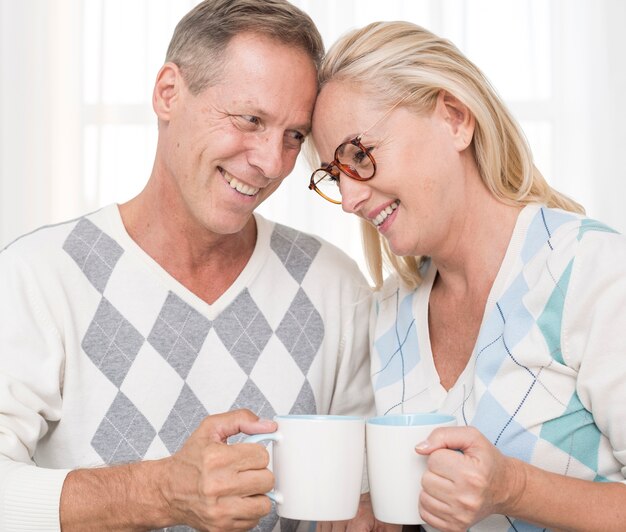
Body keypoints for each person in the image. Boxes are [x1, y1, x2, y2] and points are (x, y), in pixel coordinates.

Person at [0, 1, 375, 530]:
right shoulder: (38, 277)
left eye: (294, 136)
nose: (272, 163)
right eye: (250, 119)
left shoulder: (334, 285)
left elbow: (363, 491)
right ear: (169, 93)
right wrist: (162, 491)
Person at [309, 20, 626, 531]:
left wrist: (513, 488)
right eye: (334, 174)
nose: (348, 201)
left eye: (360, 156)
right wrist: (380, 513)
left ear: (455, 119)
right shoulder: (390, 314)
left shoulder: (590, 272)